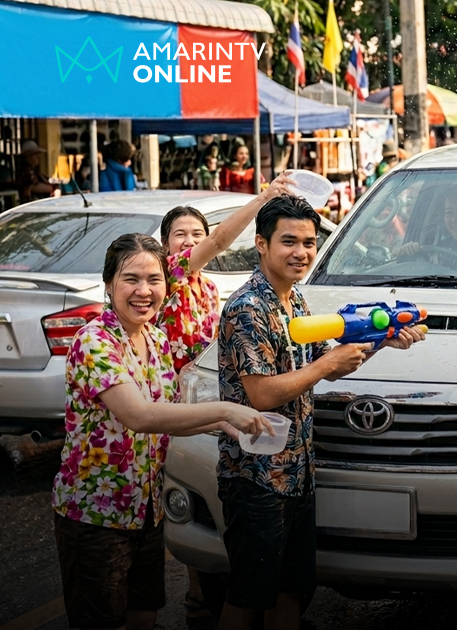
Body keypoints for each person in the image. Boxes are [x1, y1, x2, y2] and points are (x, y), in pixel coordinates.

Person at [216, 196, 426, 630]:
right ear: (261, 243)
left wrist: (382, 340)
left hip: (297, 471)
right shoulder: (247, 309)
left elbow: (326, 365)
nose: (302, 252)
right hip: (256, 477)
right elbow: (261, 394)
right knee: (248, 595)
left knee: (291, 592)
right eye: (289, 241)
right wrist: (327, 364)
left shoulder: (294, 302)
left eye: (310, 243)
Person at [53, 234, 271, 630]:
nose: (143, 291)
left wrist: (224, 424)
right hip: (96, 513)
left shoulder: (155, 338)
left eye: (154, 279)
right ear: (108, 285)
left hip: (147, 508)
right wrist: (224, 409)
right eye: (130, 279)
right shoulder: (95, 341)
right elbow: (139, 416)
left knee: (143, 615)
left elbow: (169, 412)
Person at [156, 172, 296, 615]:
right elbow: (219, 242)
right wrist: (265, 198)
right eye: (181, 235)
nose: (191, 241)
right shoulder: (169, 277)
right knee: (179, 493)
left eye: (196, 232)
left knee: (205, 492)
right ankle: (199, 591)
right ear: (165, 246)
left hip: (208, 403)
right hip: (169, 409)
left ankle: (209, 587)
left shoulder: (207, 287)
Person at [16, 139, 54, 204]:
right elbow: (34, 188)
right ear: (27, 157)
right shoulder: (26, 171)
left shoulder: (34, 170)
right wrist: (52, 188)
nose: (38, 157)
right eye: (34, 154)